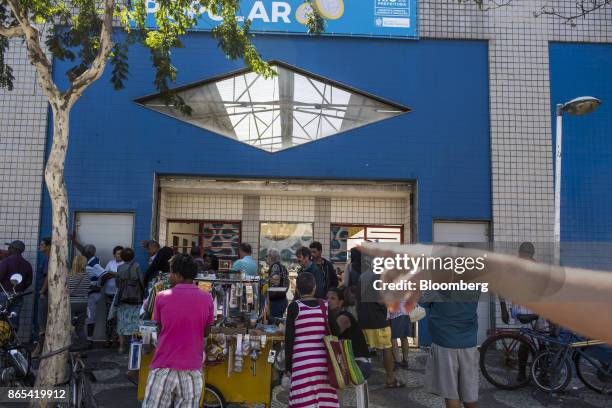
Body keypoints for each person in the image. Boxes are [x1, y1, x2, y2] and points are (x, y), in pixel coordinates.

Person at [142, 254, 215, 408]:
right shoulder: (207, 298)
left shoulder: (161, 297)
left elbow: (160, 328)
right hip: (192, 368)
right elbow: (206, 332)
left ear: (179, 275)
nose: (169, 276)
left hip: (164, 365)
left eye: (171, 272)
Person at [284, 272, 339, 408]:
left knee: (303, 400)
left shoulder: (294, 307)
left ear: (297, 289)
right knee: (324, 399)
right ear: (314, 288)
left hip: (301, 363)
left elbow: (289, 340)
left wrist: (288, 367)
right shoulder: (325, 306)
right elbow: (336, 331)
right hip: (323, 363)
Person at [423, 291, 480, 408]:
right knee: (470, 395)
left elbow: (426, 300)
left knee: (451, 394)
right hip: (468, 342)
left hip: (444, 341)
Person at [356, 267, 404, 389]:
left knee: (362, 350)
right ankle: (390, 379)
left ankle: (358, 380)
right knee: (387, 348)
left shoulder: (363, 276)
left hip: (363, 319)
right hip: (378, 320)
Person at [327, 287, 372, 379]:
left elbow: (332, 334)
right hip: (348, 361)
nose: (328, 301)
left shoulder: (344, 317)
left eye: (333, 298)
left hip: (359, 363)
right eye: (327, 298)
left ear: (340, 302)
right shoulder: (333, 318)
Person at [72, 236, 105, 345]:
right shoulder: (88, 259)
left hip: (91, 294)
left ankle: (89, 340)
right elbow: (84, 250)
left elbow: (104, 275)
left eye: (84, 252)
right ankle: (82, 340)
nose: (82, 253)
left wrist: (98, 286)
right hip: (84, 295)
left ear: (89, 253)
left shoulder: (94, 263)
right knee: (82, 318)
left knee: (89, 318)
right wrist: (74, 241)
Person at [115, 247, 144, 354]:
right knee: (137, 322)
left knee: (121, 322)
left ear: (122, 257)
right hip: (136, 298)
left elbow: (117, 283)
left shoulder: (120, 268)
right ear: (133, 256)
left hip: (123, 297)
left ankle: (121, 347)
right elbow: (141, 281)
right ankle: (136, 347)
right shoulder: (137, 266)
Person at [0, 240, 33, 331]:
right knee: (13, 319)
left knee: (1, 319)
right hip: (18, 295)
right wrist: (20, 289)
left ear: (13, 249)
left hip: (4, 295)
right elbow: (29, 282)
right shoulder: (27, 264)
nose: (8, 249)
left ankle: (2, 342)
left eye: (10, 247)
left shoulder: (6, 261)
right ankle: (12, 342)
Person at [68, 255, 92, 348]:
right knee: (80, 327)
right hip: (83, 303)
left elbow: (68, 290)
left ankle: (71, 347)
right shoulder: (87, 276)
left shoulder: (70, 276)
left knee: (69, 326)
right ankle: (82, 348)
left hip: (72, 303)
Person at [102, 246, 123, 347]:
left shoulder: (124, 264)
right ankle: (108, 339)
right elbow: (104, 275)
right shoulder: (110, 263)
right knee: (108, 317)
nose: (119, 255)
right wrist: (110, 275)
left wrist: (115, 275)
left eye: (121, 253)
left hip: (119, 295)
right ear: (114, 254)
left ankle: (116, 339)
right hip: (108, 293)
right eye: (118, 253)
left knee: (118, 317)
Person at [33, 237, 51, 357]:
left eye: (42, 244)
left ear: (49, 246)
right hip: (46, 294)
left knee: (42, 323)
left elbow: (48, 277)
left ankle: (39, 349)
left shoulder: (49, 260)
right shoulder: (47, 259)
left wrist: (42, 291)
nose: (40, 246)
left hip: (46, 295)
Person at [266, 248, 289, 319]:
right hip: (282, 299)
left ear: (271, 257)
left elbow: (275, 283)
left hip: (276, 302)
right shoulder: (282, 266)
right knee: (278, 323)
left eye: (267, 256)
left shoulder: (275, 266)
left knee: (274, 325)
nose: (266, 258)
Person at [389, 300, 412, 370]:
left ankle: (397, 361)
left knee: (393, 338)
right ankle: (405, 361)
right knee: (404, 337)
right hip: (405, 313)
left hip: (395, 313)